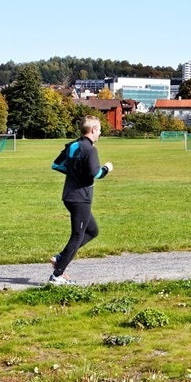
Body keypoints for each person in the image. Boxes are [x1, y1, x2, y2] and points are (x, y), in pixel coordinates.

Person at [48, 116, 113, 285]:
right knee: (78, 236)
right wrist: (107, 168)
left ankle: (61, 258)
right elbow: (96, 173)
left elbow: (56, 165)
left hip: (69, 195)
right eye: (99, 130)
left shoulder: (73, 145)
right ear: (93, 130)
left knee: (92, 231)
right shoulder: (90, 149)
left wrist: (74, 173)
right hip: (81, 198)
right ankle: (57, 275)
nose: (100, 133)